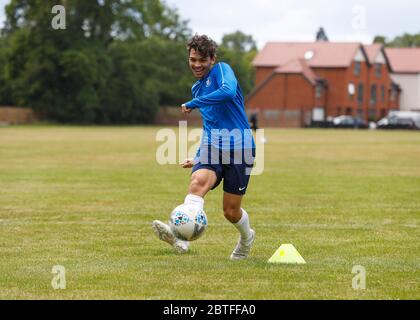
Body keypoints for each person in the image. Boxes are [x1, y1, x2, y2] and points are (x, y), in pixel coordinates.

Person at [152, 34, 256, 260]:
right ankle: (181, 237)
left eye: (202, 60)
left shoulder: (222, 71)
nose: (197, 65)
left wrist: (193, 103)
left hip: (241, 147)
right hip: (213, 148)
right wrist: (198, 155)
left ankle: (247, 238)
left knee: (230, 211)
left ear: (212, 59)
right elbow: (210, 125)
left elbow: (228, 92)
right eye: (192, 60)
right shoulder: (197, 88)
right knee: (197, 182)